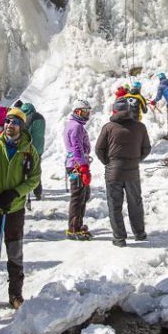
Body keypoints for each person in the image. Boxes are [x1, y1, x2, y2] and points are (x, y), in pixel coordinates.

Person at [0, 108, 41, 313]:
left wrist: (16, 193)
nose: (9, 125)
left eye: (14, 122)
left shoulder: (29, 151)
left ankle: (15, 294)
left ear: (21, 126)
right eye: (7, 121)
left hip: (15, 208)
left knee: (14, 252)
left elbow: (34, 178)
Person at [95, 97, 151, 247]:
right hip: (132, 172)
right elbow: (147, 149)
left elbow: (99, 149)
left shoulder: (108, 127)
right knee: (135, 203)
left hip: (113, 172)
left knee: (114, 205)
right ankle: (139, 233)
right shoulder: (140, 126)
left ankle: (119, 238)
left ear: (115, 110)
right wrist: (135, 160)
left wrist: (109, 162)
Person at [64, 99, 93, 240]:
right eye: (85, 111)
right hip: (77, 166)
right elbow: (77, 148)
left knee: (84, 195)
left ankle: (78, 224)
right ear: (78, 111)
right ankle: (74, 228)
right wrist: (83, 167)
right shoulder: (76, 126)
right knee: (78, 197)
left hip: (78, 164)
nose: (88, 114)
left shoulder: (75, 125)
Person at [16, 100, 46, 201]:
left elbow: (25, 132)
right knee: (37, 169)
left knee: (28, 170)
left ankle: (26, 192)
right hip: (40, 148)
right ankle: (38, 193)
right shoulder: (41, 117)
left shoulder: (30, 118)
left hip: (31, 149)